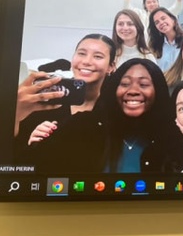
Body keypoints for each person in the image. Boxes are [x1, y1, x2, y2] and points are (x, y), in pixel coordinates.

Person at [15, 34, 116, 172]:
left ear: (111, 66)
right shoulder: (47, 98)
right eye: (81, 53)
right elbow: (15, 154)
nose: (87, 61)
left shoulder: (114, 106)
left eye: (98, 56)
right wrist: (31, 141)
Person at [148, 7, 183, 72]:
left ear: (173, 20)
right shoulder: (155, 46)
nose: (161, 23)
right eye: (157, 22)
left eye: (163, 18)